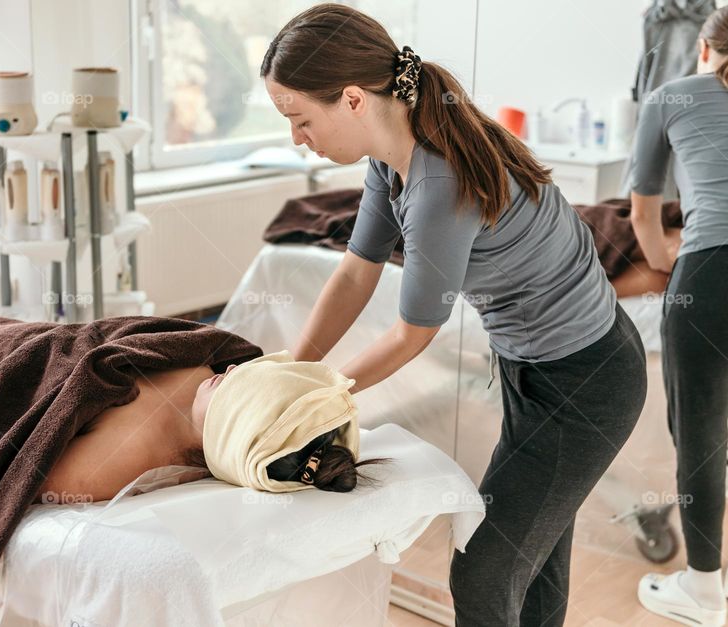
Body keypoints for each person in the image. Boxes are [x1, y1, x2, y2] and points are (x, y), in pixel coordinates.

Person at [261, 4, 647, 625]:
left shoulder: (440, 183)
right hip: (537, 369)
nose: (297, 139)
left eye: (300, 120)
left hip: (586, 383)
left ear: (353, 99)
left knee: (484, 564)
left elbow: (413, 332)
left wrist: (317, 398)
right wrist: (291, 369)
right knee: (533, 561)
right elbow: (357, 270)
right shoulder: (394, 159)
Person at [631, 7, 728, 626]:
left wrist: (672, 270)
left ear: (702, 46)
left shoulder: (669, 96)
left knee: (700, 436)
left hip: (710, 276)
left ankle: (706, 589)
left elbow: (643, 214)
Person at [39, 351, 386, 503]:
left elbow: (29, 469)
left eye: (234, 385)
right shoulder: (206, 377)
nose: (232, 366)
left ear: (227, 428)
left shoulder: (120, 457)